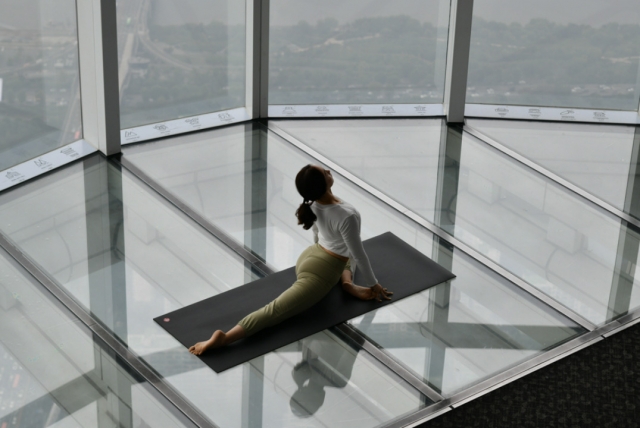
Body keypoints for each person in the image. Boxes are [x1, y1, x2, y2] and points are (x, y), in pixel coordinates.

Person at [189, 164, 392, 355]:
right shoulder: (347, 214)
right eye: (325, 172)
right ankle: (225, 338)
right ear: (323, 184)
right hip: (323, 270)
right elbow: (359, 255)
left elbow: (317, 234)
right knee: (276, 310)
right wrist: (374, 285)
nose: (329, 171)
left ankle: (347, 283)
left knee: (346, 251)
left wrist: (321, 253)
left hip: (311, 255)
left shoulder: (313, 204)